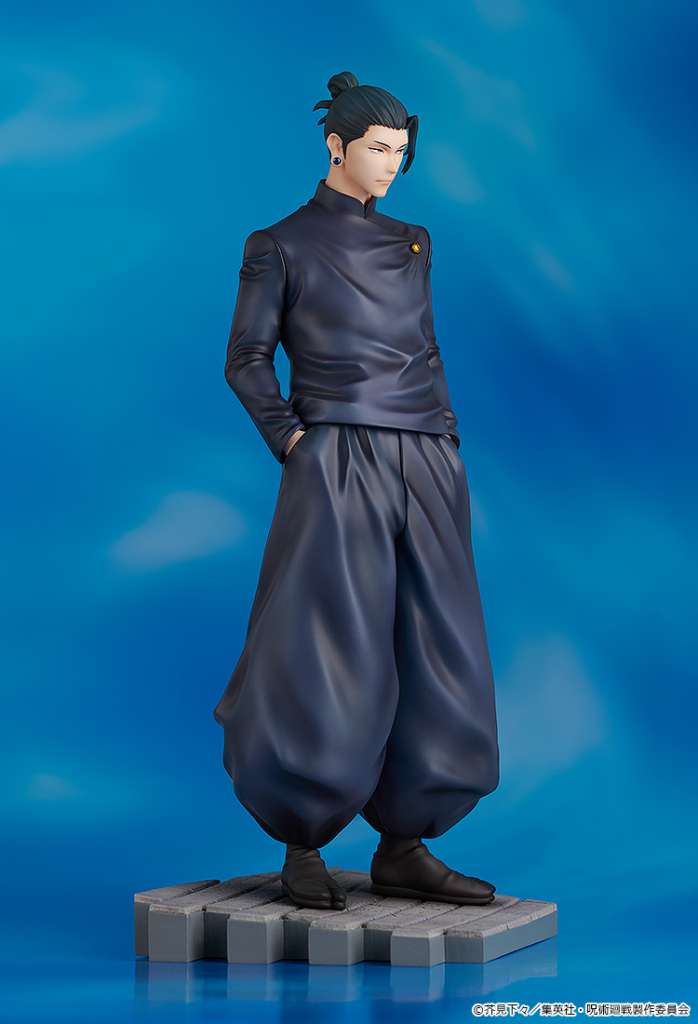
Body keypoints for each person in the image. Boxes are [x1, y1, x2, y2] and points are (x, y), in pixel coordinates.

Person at [213, 70, 500, 912]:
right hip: (335, 453)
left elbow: (425, 347)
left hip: (426, 456)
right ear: (335, 145)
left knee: (436, 641)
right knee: (323, 638)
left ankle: (404, 844)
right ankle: (301, 840)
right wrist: (293, 441)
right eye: (379, 149)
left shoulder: (414, 241)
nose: (391, 166)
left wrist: (445, 437)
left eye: (402, 152)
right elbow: (246, 358)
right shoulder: (278, 243)